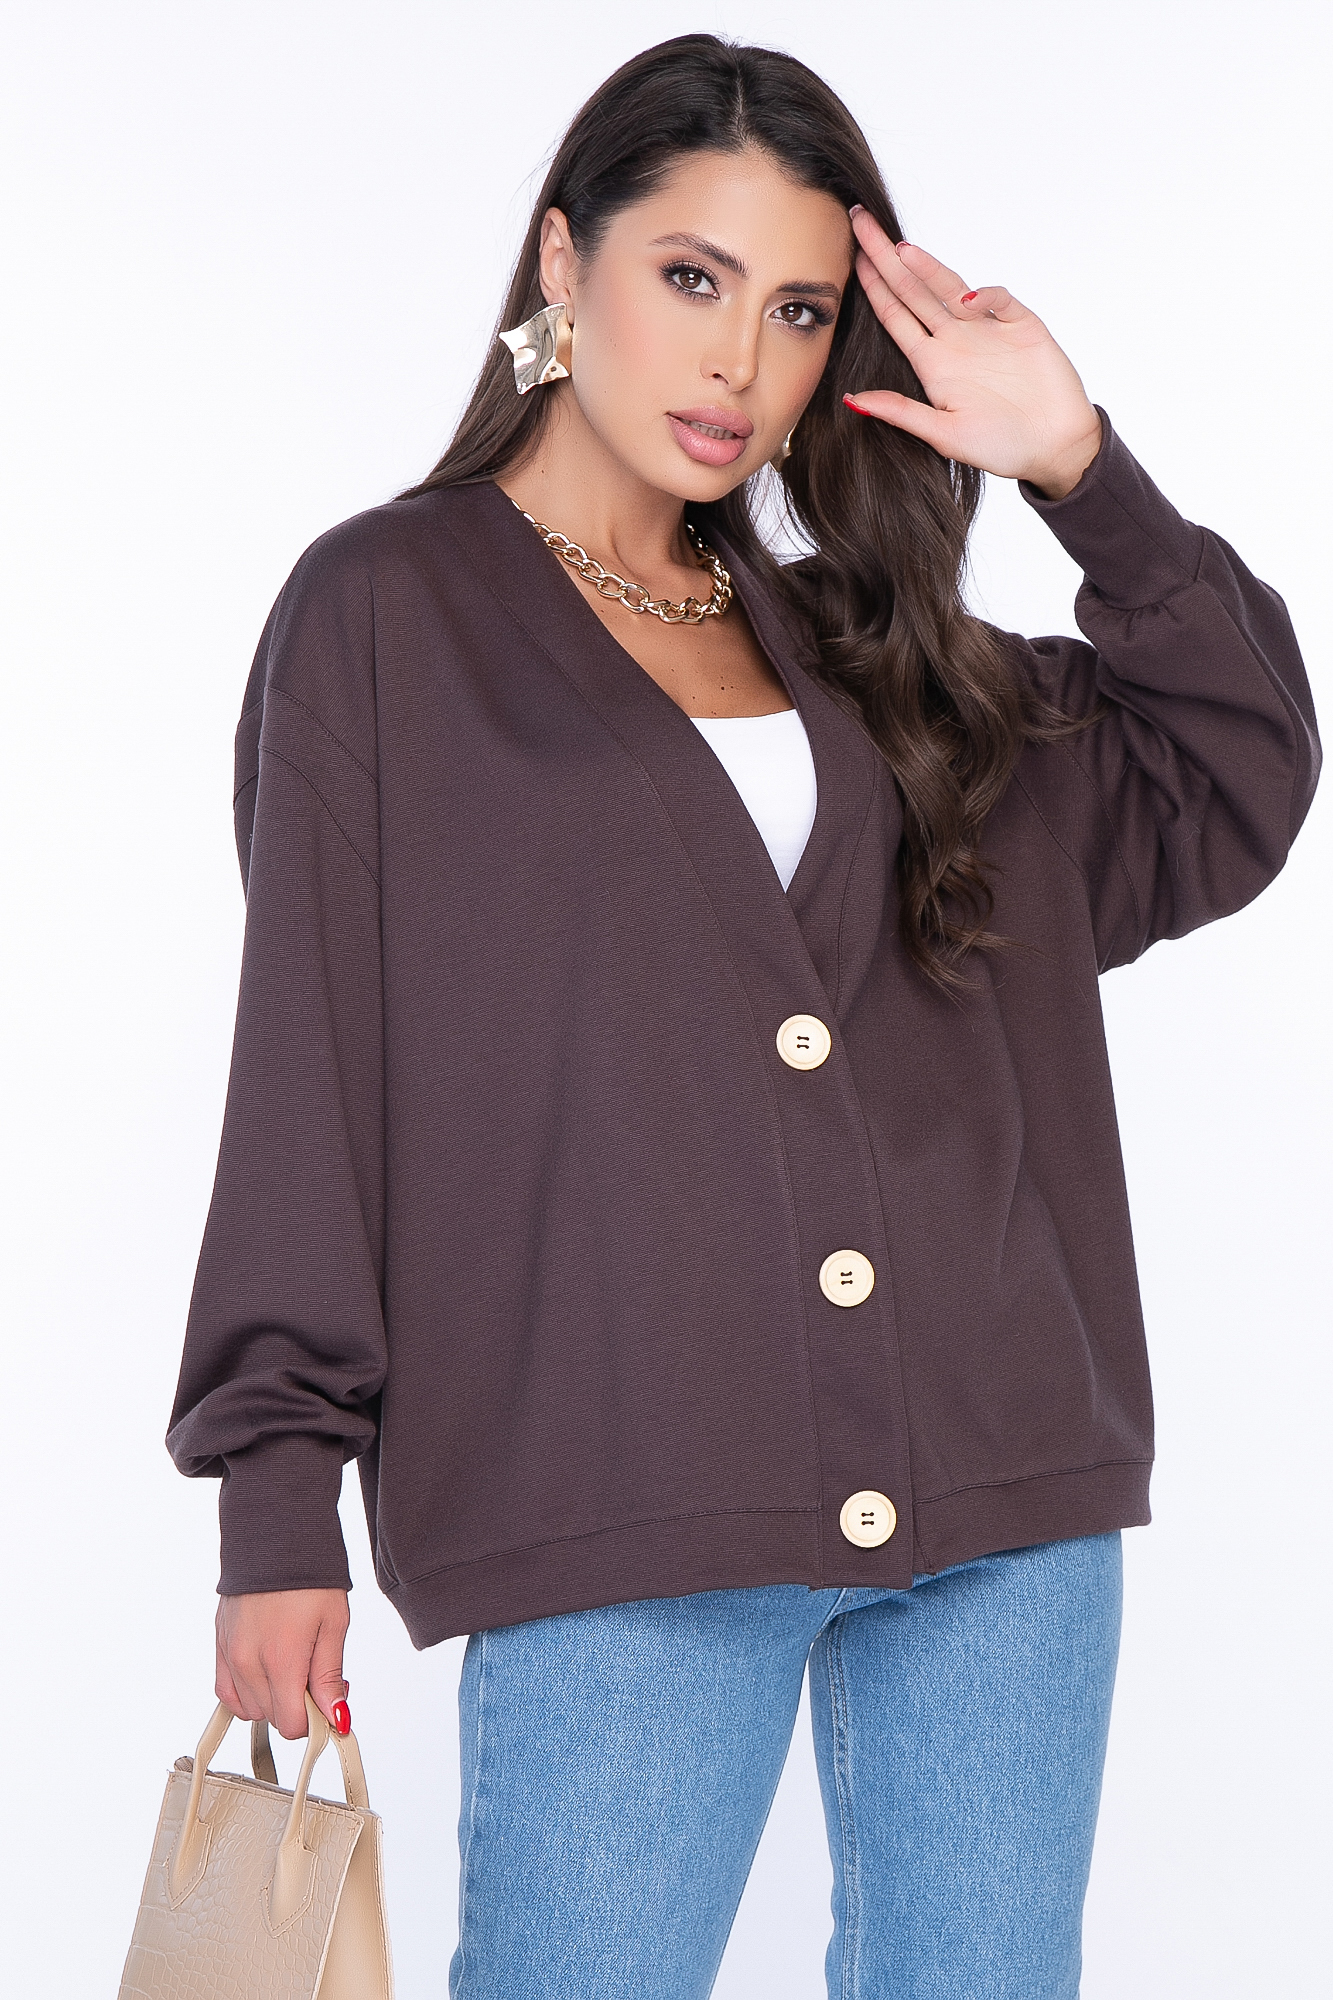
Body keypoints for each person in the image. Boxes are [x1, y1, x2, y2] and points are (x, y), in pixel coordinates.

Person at [166, 32, 1319, 2000]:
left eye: (793, 309)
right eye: (689, 277)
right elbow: (308, 1079)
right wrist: (276, 1499)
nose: (739, 362)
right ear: (563, 262)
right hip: (615, 1491)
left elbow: (1233, 773)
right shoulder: (382, 615)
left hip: (999, 1499)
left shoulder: (870, 643)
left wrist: (1078, 466)